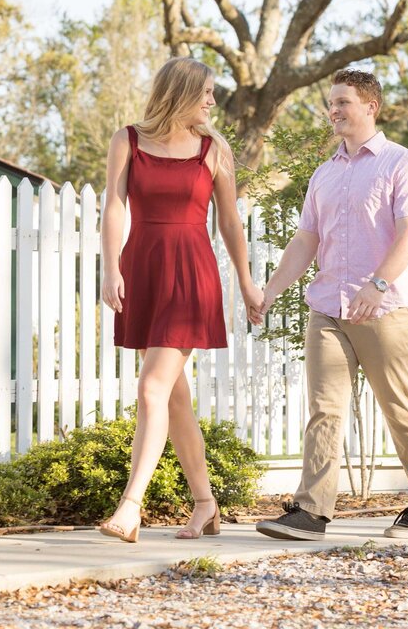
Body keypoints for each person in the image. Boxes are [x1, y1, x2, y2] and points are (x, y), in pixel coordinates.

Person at [252, 68, 408, 541]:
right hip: (328, 308)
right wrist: (270, 290)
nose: (333, 110)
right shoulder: (325, 173)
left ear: (370, 107)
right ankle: (312, 510)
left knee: (398, 405)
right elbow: (306, 239)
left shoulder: (401, 163)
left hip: (385, 308)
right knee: (324, 409)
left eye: (342, 102)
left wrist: (377, 284)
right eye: (331, 103)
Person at [98, 57, 264, 543]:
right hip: (144, 268)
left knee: (151, 387)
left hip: (191, 277)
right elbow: (113, 204)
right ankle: (206, 504)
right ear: (180, 92)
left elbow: (229, 222)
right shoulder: (127, 140)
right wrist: (110, 267)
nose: (213, 102)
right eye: (207, 92)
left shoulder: (214, 150)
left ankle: (130, 508)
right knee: (173, 397)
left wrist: (248, 282)